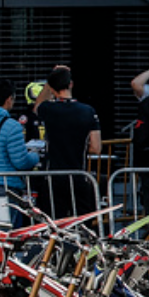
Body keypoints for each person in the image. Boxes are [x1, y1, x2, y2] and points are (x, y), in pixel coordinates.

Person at [35, 66, 101, 216]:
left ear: (52, 88)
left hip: (53, 176)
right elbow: (96, 147)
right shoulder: (88, 111)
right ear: (71, 84)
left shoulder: (48, 109)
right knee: (82, 222)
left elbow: (37, 106)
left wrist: (50, 79)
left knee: (54, 222)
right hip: (79, 174)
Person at [0, 80, 40, 196]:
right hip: (4, 186)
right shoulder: (11, 126)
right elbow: (21, 162)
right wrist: (34, 156)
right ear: (9, 99)